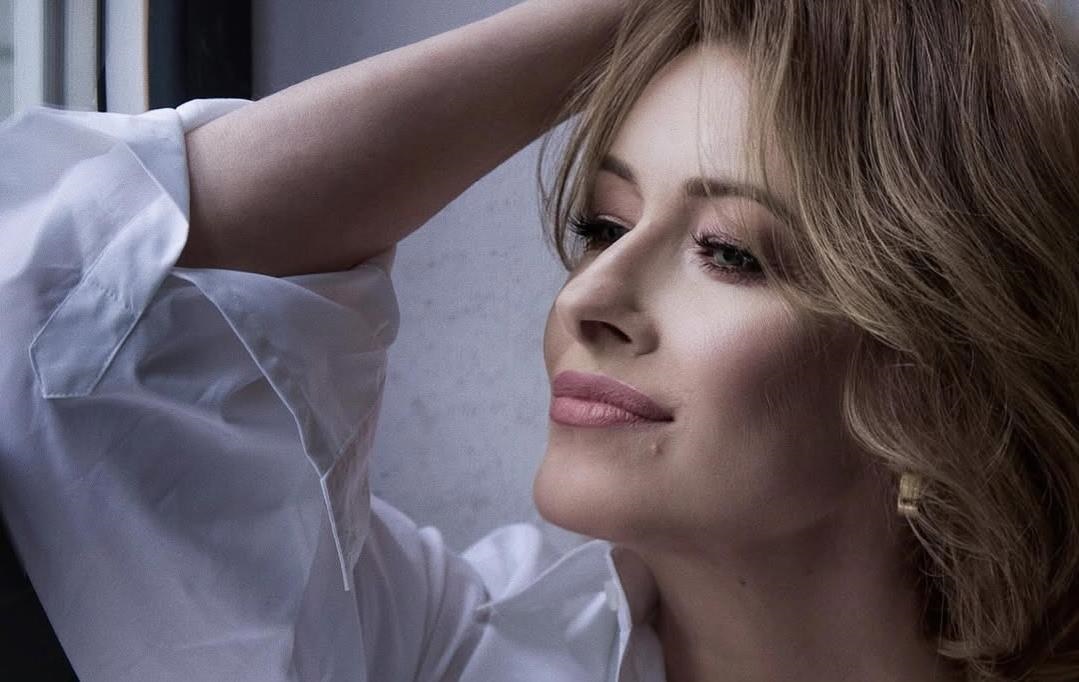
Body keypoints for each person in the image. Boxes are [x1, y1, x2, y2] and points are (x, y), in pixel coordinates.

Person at [1, 0, 1076, 680]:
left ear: (937, 364)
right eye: (601, 226)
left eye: (728, 252)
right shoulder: (444, 650)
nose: (586, 298)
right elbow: (95, 309)